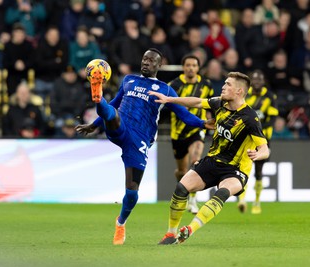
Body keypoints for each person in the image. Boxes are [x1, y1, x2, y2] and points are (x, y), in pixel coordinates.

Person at [75, 48, 214, 245]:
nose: (146, 63)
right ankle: (97, 96)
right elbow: (116, 102)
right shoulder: (129, 80)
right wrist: (93, 125)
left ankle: (121, 223)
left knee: (132, 191)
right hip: (122, 126)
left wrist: (202, 124)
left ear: (159, 65)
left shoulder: (165, 90)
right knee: (112, 113)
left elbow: (183, 114)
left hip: (140, 139)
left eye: (151, 60)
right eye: (144, 59)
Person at [151, 72, 269, 245]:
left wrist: (258, 154)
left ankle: (190, 229)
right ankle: (170, 234)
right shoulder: (219, 103)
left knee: (221, 193)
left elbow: (265, 149)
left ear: (239, 91)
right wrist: (169, 100)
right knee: (181, 188)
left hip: (236, 170)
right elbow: (198, 102)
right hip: (212, 161)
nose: (223, 86)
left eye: (228, 84)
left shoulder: (250, 118)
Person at [168, 54, 214, 214]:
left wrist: (210, 120)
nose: (191, 68)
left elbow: (211, 106)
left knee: (195, 161)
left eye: (194, 65)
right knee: (181, 171)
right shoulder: (174, 85)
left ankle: (193, 201)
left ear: (198, 68)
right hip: (178, 133)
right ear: (183, 67)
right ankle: (183, 192)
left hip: (197, 129)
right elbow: (167, 104)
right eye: (188, 65)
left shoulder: (206, 84)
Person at [237, 69, 278, 214]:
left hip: (262, 139)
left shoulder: (270, 96)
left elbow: (272, 119)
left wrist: (256, 127)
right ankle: (242, 199)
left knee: (259, 171)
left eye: (259, 80)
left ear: (263, 81)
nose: (257, 82)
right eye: (254, 80)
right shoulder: (244, 95)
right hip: (245, 138)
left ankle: (257, 201)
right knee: (243, 168)